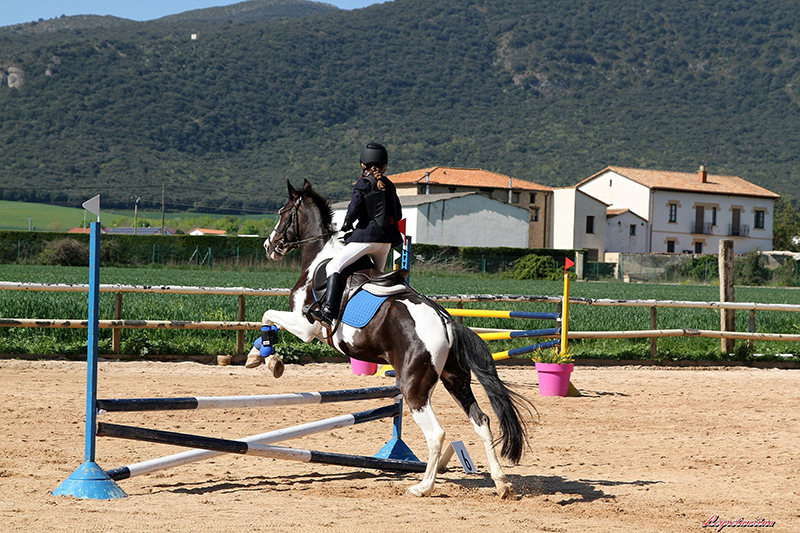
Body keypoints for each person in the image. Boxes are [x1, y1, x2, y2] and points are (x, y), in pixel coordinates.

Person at [307, 142, 404, 328]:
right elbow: (398, 214)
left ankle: (328, 311)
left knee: (334, 266)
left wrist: (346, 224)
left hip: (367, 240)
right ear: (385, 166)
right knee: (376, 280)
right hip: (386, 244)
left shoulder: (363, 183)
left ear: (362, 164)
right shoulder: (390, 185)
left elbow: (353, 209)